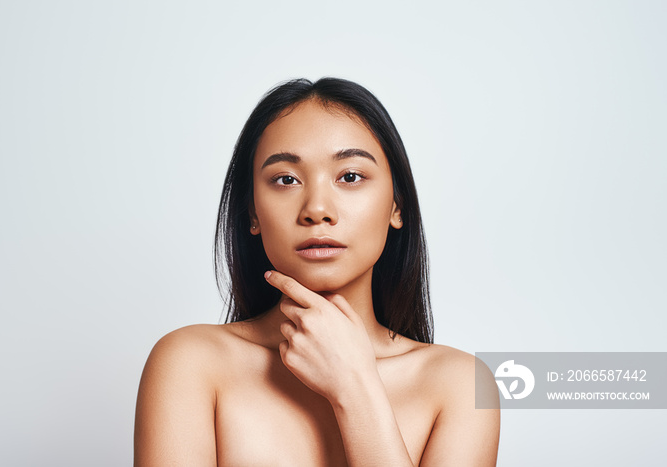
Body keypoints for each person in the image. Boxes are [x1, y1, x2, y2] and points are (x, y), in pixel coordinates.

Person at [134, 77, 500, 466]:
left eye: (350, 176)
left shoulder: (460, 385)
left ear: (397, 206)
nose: (317, 209)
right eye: (286, 179)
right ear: (253, 213)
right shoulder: (191, 365)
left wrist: (355, 391)